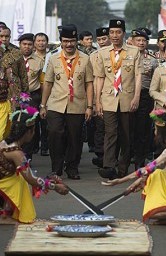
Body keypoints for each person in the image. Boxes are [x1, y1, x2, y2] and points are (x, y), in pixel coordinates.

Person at [0, 109, 69, 226]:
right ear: (28, 132)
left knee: (17, 177)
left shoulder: (5, 143)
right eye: (33, 130)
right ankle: (5, 216)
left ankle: (1, 212)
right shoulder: (16, 153)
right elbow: (30, 179)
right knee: (20, 180)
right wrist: (55, 187)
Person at [104, 111, 166, 227]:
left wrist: (121, 180)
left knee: (153, 213)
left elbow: (148, 168)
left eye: (156, 128)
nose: (155, 131)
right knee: (156, 175)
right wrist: (139, 182)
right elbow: (164, 172)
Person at [40, 25, 94, 179]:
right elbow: (48, 83)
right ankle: (56, 168)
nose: (69, 44)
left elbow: (89, 83)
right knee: (54, 133)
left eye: (72, 41)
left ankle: (72, 167)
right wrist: (43, 105)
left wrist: (90, 106)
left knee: (75, 137)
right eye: (65, 41)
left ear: (77, 41)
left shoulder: (85, 59)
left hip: (77, 105)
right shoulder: (53, 58)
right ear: (61, 42)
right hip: (56, 103)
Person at [95, 19, 143, 180]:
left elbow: (138, 76)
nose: (115, 35)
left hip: (127, 98)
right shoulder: (102, 53)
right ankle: (108, 166)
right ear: (108, 34)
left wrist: (136, 97)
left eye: (118, 32)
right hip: (108, 98)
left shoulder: (134, 51)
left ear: (124, 33)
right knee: (110, 133)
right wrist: (97, 101)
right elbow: (100, 78)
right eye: (112, 32)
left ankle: (123, 167)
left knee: (126, 134)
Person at [131, 28, 157, 169]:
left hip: (145, 96)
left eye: (143, 41)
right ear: (132, 41)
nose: (141, 43)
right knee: (129, 129)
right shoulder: (125, 57)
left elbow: (155, 80)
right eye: (138, 40)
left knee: (143, 129)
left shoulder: (152, 60)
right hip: (128, 95)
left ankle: (140, 161)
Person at [19, 33, 46, 158]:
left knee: (30, 125)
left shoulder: (40, 61)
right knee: (17, 125)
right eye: (24, 44)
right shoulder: (13, 59)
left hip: (32, 97)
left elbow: (43, 83)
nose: (27, 47)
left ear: (33, 45)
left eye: (30, 44)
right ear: (20, 45)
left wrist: (43, 104)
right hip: (16, 97)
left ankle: (27, 156)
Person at [90, 27, 111, 168]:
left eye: (104, 39)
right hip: (98, 95)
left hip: (113, 96)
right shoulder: (93, 56)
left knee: (112, 129)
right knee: (99, 127)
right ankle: (101, 155)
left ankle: (111, 156)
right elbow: (90, 79)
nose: (102, 42)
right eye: (99, 40)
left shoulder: (117, 54)